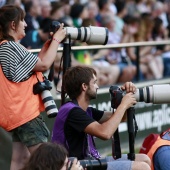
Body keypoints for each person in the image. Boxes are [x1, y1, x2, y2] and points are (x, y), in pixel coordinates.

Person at [0, 5, 66, 170]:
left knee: (19, 160)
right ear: (13, 25)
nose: (26, 24)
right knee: (47, 160)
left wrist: (50, 44)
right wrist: (57, 41)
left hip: (15, 113)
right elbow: (43, 66)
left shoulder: (4, 47)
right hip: (26, 112)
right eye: (22, 20)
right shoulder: (11, 47)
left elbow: (34, 67)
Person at [52, 65, 151, 170]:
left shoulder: (85, 110)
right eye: (94, 83)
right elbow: (105, 133)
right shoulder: (72, 111)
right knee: (142, 167)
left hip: (90, 161)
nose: (97, 86)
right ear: (84, 86)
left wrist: (126, 95)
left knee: (144, 159)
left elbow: (123, 118)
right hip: (75, 166)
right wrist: (123, 105)